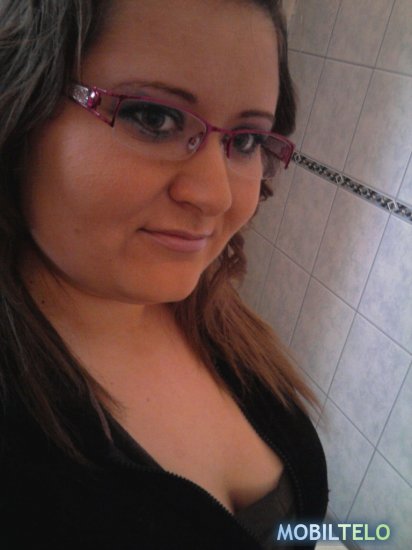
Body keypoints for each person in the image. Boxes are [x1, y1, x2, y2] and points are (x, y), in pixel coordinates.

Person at [0, 1, 328, 548]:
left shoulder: (222, 323)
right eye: (152, 118)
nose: (215, 196)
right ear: (21, 108)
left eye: (245, 140)